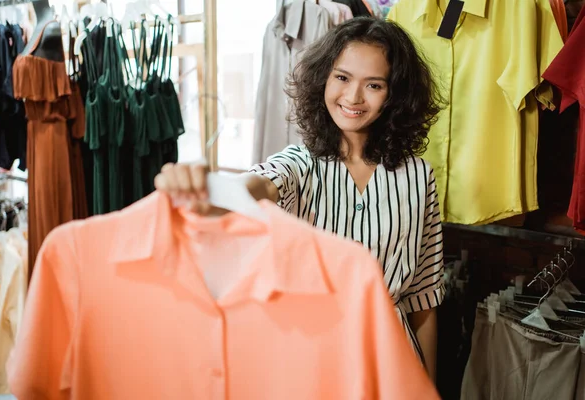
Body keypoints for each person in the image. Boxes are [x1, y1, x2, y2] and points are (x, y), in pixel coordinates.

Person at [154, 17, 445, 380]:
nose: (353, 97)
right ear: (323, 79)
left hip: (393, 362)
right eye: (342, 78)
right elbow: (257, 184)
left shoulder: (419, 177)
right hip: (312, 362)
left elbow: (423, 299)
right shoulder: (300, 164)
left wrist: (429, 386)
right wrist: (207, 191)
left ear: (395, 94)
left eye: (373, 84)